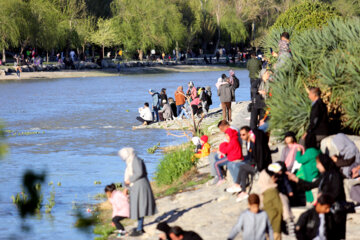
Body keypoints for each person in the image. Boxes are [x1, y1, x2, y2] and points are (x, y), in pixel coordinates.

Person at [287, 154, 348, 239]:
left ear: (323, 163)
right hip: (326, 211)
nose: (317, 166)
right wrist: (296, 179)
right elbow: (311, 185)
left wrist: (324, 196)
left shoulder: (335, 175)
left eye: (318, 164)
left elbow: (336, 192)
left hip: (334, 213)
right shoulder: (325, 176)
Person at [118, 148, 157, 236]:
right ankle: (139, 227)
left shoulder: (135, 160)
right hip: (136, 187)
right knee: (138, 208)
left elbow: (139, 172)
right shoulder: (130, 161)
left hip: (140, 186)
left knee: (140, 207)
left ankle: (140, 228)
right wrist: (126, 187)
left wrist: (129, 181)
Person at [214, 121, 243, 185]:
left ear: (226, 126)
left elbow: (227, 147)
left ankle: (220, 177)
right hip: (233, 152)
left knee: (216, 161)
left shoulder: (231, 132)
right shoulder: (230, 132)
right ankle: (220, 172)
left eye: (221, 129)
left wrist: (221, 150)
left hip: (233, 154)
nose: (221, 131)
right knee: (216, 156)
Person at [258, 164, 283, 240]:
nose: (277, 179)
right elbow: (279, 209)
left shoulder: (261, 192)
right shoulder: (272, 191)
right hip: (274, 227)